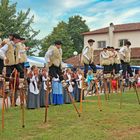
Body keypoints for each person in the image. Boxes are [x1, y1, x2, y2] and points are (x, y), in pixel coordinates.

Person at [45, 40, 64, 105]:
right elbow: (47, 54)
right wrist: (48, 61)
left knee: (61, 75)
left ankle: (63, 82)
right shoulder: (52, 48)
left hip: (58, 64)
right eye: (59, 45)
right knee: (54, 75)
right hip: (52, 64)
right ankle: (51, 81)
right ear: (56, 44)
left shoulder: (60, 50)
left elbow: (60, 58)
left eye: (60, 45)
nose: (60, 46)